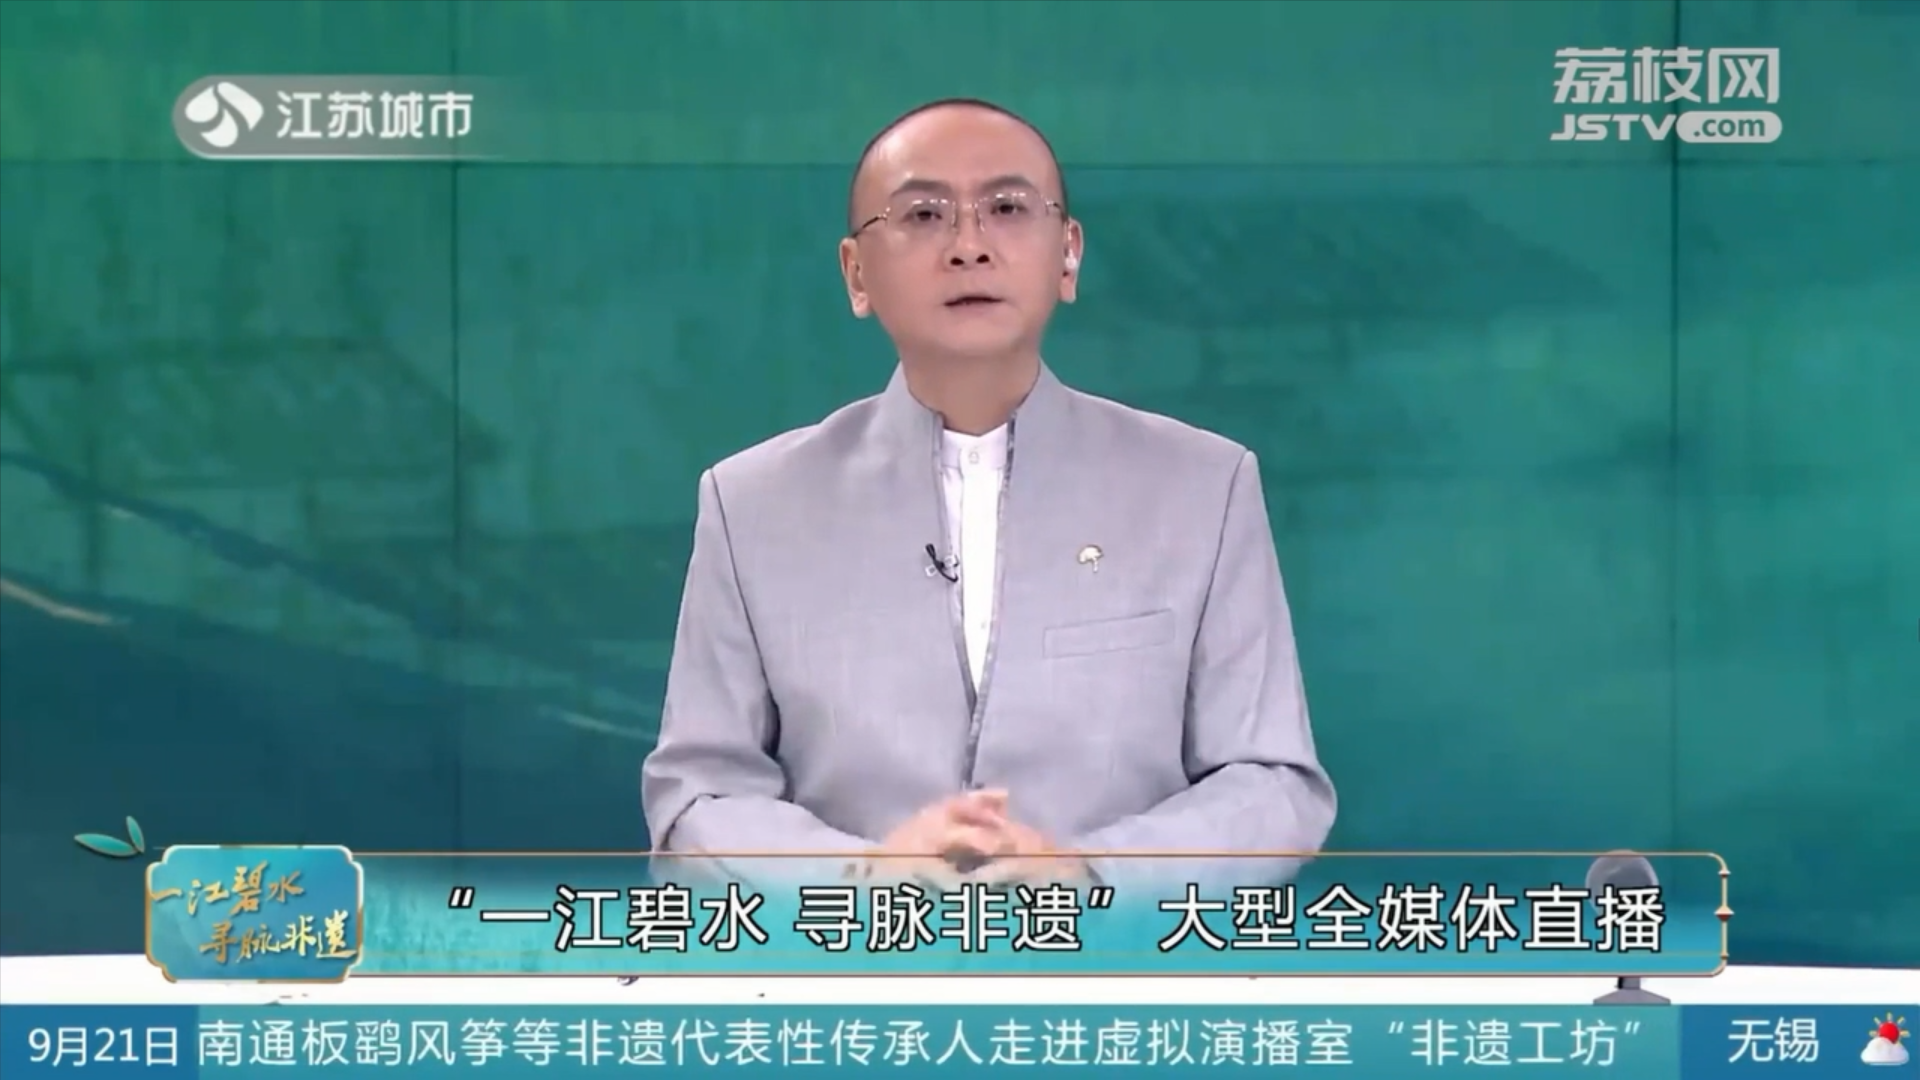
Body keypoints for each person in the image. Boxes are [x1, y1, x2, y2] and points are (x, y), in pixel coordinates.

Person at [641, 98, 1335, 890]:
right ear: (857, 274)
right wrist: (859, 874)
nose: (969, 246)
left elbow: (1273, 785)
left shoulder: (1203, 486)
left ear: (1068, 254)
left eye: (1007, 208)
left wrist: (1090, 872)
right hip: (856, 960)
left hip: (1114, 961)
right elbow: (695, 801)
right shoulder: (752, 504)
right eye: (923, 215)